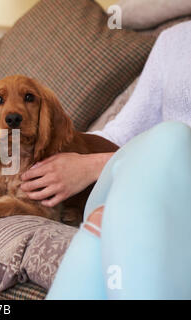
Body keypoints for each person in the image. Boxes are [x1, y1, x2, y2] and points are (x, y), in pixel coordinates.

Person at [20, 21, 191, 299]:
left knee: (171, 138)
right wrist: (64, 151)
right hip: (146, 184)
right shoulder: (174, 39)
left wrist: (92, 166)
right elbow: (122, 131)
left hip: (171, 182)